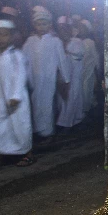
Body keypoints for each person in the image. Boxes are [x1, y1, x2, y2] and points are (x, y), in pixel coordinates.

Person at [0, 20, 32, 169]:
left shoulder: (17, 56)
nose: (1, 38)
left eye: (5, 35)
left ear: (11, 37)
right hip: (1, 101)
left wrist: (15, 96)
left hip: (17, 101)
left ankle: (28, 155)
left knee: (19, 129)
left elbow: (21, 76)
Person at [22, 8, 70, 144]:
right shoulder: (30, 41)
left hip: (49, 78)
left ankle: (48, 132)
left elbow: (62, 61)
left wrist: (66, 79)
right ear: (34, 25)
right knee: (36, 103)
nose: (41, 27)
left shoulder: (55, 41)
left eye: (44, 24)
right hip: (33, 79)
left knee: (47, 103)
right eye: (38, 24)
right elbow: (23, 60)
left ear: (49, 25)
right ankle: (38, 130)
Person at [56, 16, 85, 131]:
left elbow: (79, 54)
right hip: (62, 75)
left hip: (74, 76)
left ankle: (66, 123)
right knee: (62, 98)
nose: (63, 31)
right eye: (60, 28)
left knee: (72, 96)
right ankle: (68, 120)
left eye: (65, 28)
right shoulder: (57, 42)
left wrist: (67, 50)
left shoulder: (76, 41)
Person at [77, 19, 100, 115]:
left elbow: (96, 58)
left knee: (87, 92)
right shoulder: (76, 41)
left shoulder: (90, 42)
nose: (80, 30)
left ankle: (88, 113)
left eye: (83, 28)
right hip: (79, 73)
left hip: (89, 72)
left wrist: (98, 73)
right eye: (79, 28)